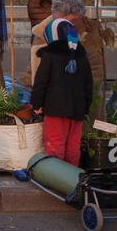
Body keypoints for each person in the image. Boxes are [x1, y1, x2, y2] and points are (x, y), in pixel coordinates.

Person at [30, 18, 93, 167]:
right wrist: (85, 107)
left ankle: (57, 177)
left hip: (55, 108)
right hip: (77, 110)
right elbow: (88, 84)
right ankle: (72, 178)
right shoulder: (82, 56)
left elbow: (41, 82)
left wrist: (36, 104)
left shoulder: (50, 55)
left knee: (55, 144)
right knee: (73, 146)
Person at [27, 0, 105, 101]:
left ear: (77, 17)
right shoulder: (42, 35)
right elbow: (31, 71)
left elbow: (96, 73)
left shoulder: (88, 37)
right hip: (49, 102)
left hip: (78, 101)